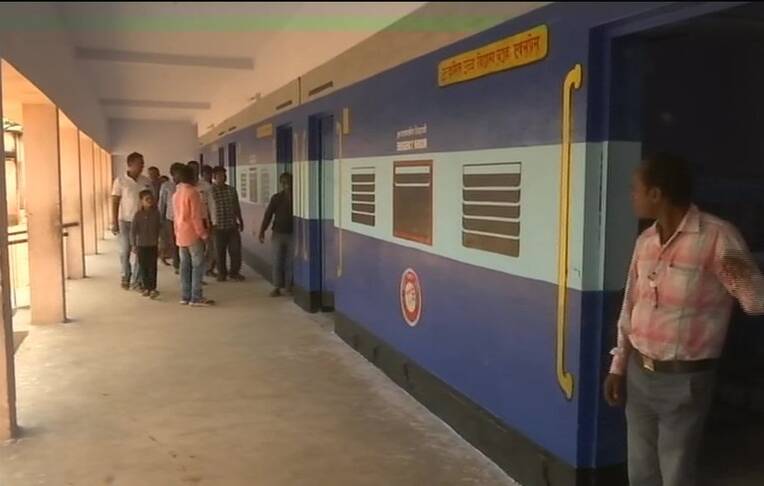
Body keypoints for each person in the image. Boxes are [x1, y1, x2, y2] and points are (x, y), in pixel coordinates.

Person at [603, 153, 764, 486]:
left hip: (685, 382)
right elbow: (630, 306)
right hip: (639, 374)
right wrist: (618, 366)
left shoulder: (717, 237)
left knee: (675, 474)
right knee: (640, 472)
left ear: (656, 194)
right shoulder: (645, 242)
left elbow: (756, 302)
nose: (632, 195)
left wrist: (741, 270)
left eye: (635, 188)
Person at [173, 165, 214, 307]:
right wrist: (204, 235)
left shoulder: (176, 194)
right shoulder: (193, 193)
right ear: (191, 177)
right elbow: (196, 217)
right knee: (197, 266)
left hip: (181, 235)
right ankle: (196, 296)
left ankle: (185, 296)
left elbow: (175, 217)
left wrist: (176, 233)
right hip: (193, 235)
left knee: (185, 266)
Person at [111, 152, 152, 290]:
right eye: (140, 163)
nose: (142, 166)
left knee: (140, 251)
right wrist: (114, 221)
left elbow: (151, 201)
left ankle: (137, 280)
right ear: (130, 164)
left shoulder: (146, 181)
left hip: (142, 222)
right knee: (125, 250)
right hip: (125, 221)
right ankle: (125, 275)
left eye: (143, 163)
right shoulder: (120, 181)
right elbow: (115, 201)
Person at [258, 172, 293, 297]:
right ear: (281, 184)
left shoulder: (298, 198)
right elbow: (268, 215)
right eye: (284, 182)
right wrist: (262, 231)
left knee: (290, 262)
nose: (287, 185)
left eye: (289, 182)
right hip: (278, 233)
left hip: (292, 234)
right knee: (277, 260)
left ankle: (288, 286)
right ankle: (277, 286)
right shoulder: (276, 198)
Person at [211, 166, 245, 282]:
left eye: (224, 175)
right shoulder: (210, 191)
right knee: (219, 252)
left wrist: (240, 220)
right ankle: (222, 273)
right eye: (220, 175)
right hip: (217, 227)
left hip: (232, 226)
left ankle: (234, 272)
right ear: (214, 177)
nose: (223, 177)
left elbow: (236, 206)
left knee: (235, 251)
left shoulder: (231, 190)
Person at [130, 190, 161, 299]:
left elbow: (160, 228)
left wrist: (161, 242)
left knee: (152, 267)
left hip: (153, 244)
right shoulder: (138, 215)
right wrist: (133, 244)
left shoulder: (156, 214)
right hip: (141, 245)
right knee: (143, 267)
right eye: (146, 199)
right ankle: (146, 287)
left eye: (151, 199)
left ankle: (153, 288)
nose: (149, 201)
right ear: (141, 201)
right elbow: (133, 231)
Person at [159, 163, 184, 272]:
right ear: (172, 174)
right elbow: (162, 203)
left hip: (183, 219)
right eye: (177, 173)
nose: (179, 176)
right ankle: (177, 264)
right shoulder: (166, 186)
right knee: (173, 243)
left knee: (183, 242)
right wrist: (161, 218)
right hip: (171, 218)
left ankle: (183, 264)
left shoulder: (185, 185)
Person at [199, 164, 217, 278]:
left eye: (210, 174)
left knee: (212, 246)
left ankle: (210, 268)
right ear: (202, 174)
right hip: (202, 220)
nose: (208, 176)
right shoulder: (199, 186)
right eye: (206, 174)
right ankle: (202, 269)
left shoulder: (214, 186)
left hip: (213, 220)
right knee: (201, 247)